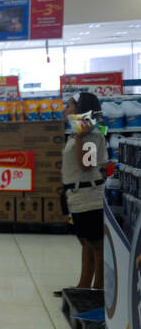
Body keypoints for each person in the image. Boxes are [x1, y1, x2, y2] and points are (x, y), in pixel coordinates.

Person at [58, 91, 106, 292]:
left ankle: (99, 289)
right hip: (76, 195)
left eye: (68, 106)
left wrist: (80, 138)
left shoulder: (91, 133)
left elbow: (87, 165)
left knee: (97, 245)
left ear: (80, 110)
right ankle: (84, 286)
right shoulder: (80, 132)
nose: (64, 110)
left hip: (89, 196)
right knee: (86, 242)